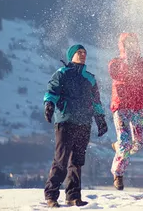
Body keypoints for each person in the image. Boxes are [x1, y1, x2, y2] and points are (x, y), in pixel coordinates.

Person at [43, 44, 108, 208]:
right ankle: (51, 196)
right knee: (61, 160)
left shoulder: (90, 78)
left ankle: (73, 196)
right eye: (79, 52)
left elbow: (96, 101)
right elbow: (52, 90)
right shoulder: (62, 73)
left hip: (84, 123)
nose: (83, 54)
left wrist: (100, 119)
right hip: (65, 120)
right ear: (71, 55)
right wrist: (49, 105)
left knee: (77, 161)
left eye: (85, 52)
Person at [108, 33, 143, 190]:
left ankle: (119, 146)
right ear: (122, 45)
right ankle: (118, 173)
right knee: (126, 142)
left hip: (138, 106)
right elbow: (115, 73)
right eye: (127, 43)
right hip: (121, 106)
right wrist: (127, 61)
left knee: (139, 142)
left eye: (133, 43)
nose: (131, 45)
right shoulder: (116, 62)